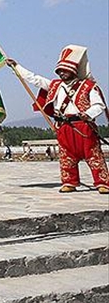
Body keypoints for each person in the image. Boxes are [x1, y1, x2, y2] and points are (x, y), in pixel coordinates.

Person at [7, 46, 107, 194]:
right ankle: (70, 182)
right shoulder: (55, 85)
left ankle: (102, 182)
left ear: (73, 70)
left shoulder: (88, 86)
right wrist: (16, 67)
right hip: (63, 125)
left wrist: (88, 113)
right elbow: (34, 79)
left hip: (83, 125)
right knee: (67, 156)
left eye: (64, 70)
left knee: (93, 154)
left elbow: (99, 104)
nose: (61, 73)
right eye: (59, 70)